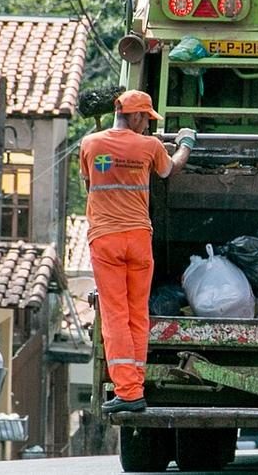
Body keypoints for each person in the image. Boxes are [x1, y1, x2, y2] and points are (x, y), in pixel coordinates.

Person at [79, 90, 196, 414]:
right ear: (131, 116)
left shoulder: (91, 144)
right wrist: (186, 142)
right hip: (138, 240)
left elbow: (89, 184)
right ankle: (135, 383)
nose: (147, 124)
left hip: (106, 241)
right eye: (145, 117)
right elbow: (170, 170)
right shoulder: (150, 147)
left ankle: (129, 391)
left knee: (115, 317)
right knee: (137, 315)